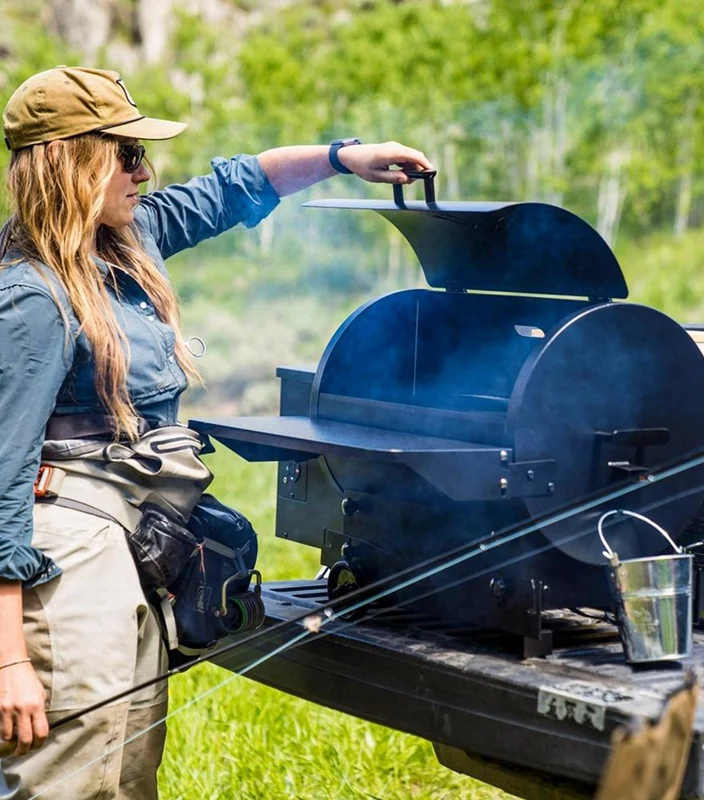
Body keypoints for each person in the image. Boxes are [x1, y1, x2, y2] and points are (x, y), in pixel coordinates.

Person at [0, 65, 432, 799]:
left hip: (127, 547)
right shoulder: (32, 297)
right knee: (68, 780)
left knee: (128, 773)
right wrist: (9, 660)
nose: (146, 171)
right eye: (126, 155)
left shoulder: (129, 240)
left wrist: (342, 158)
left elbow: (235, 188)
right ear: (71, 162)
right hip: (65, 564)